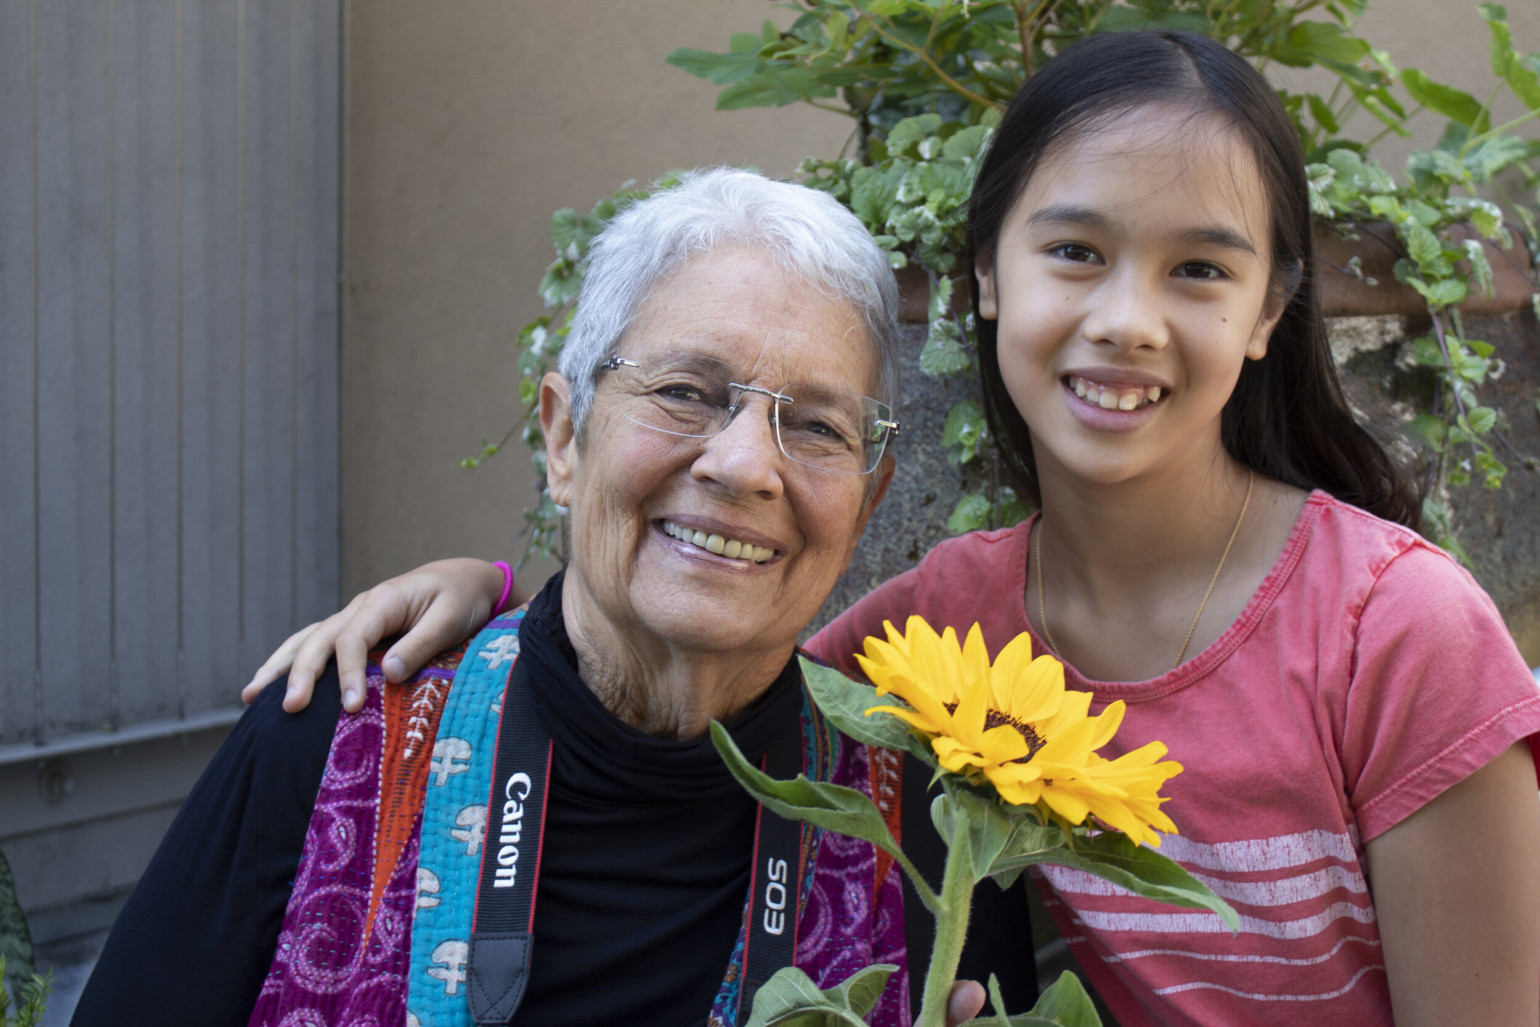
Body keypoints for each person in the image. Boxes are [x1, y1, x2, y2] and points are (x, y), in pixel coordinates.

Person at [247, 30, 1540, 1026]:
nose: (1129, 318)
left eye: (1200, 268)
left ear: (1271, 310)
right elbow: (687, 634)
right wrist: (477, 592)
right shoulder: (928, 638)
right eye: (1076, 251)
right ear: (985, 275)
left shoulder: (1397, 636)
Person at [73, 169, 1028, 1027]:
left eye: (816, 425)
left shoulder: (937, 835)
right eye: (688, 390)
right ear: (565, 438)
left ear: (864, 502)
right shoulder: (332, 737)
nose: (744, 465)